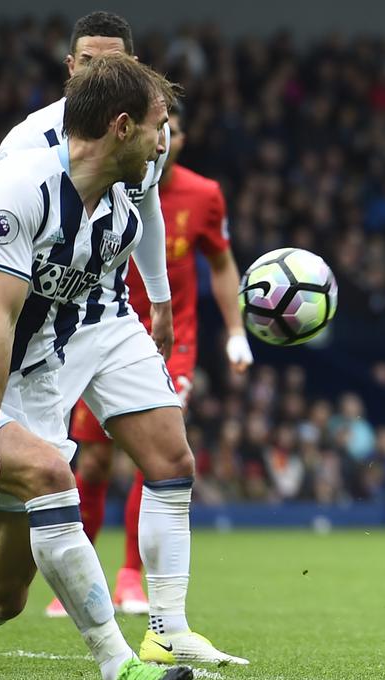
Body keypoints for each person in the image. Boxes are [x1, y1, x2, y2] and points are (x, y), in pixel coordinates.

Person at [0, 53, 195, 680]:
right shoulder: (17, 187)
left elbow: (65, 326)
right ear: (121, 126)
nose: (162, 144)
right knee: (55, 475)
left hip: (22, 400)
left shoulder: (120, 220)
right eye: (157, 126)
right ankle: (120, 667)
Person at [0, 11, 249, 665]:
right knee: (23, 490)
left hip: (108, 314)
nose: (100, 73)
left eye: (114, 63)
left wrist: (159, 300)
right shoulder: (25, 146)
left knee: (171, 460)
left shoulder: (146, 137)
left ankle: (166, 629)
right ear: (70, 68)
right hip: (37, 330)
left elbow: (149, 210)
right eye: (89, 62)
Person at [83, 100, 253, 618]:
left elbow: (221, 264)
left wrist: (236, 332)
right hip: (102, 331)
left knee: (157, 449)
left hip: (170, 341)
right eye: (160, 129)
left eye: (173, 132)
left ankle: (130, 576)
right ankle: (81, 578)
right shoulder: (108, 180)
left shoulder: (205, 195)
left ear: (182, 139)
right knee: (93, 462)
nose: (165, 141)